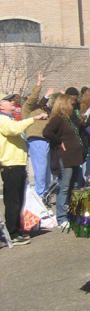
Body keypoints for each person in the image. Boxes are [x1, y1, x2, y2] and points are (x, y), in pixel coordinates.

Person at [0, 89, 48, 245]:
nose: (12, 101)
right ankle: (12, 233)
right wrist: (33, 119)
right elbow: (12, 130)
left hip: (18, 165)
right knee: (13, 201)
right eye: (8, 100)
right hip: (10, 166)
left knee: (19, 200)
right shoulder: (2, 119)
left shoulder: (10, 118)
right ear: (1, 105)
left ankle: (16, 229)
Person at [42, 94, 88, 230]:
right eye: (70, 104)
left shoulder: (67, 119)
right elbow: (47, 132)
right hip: (65, 158)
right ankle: (61, 217)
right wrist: (58, 142)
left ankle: (72, 214)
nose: (72, 106)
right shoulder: (57, 119)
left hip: (74, 157)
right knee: (64, 187)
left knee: (74, 186)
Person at [22, 71, 54, 200]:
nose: (35, 98)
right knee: (40, 167)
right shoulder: (28, 108)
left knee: (46, 169)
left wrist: (46, 95)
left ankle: (45, 192)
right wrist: (39, 83)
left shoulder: (39, 107)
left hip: (45, 139)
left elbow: (41, 101)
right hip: (37, 139)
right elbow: (34, 99)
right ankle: (40, 194)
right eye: (32, 96)